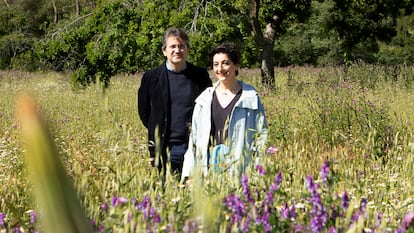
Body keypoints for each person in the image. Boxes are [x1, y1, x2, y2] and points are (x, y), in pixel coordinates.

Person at [181, 42, 267, 180]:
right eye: (216, 64)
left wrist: (258, 176)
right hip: (207, 172)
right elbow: (194, 142)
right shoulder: (204, 99)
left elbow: (261, 140)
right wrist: (190, 175)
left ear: (236, 65)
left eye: (225, 63)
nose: (220, 69)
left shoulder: (250, 98)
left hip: (239, 172)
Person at [138, 28, 212, 175]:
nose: (177, 50)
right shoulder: (151, 78)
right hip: (163, 147)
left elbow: (209, 108)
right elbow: (144, 112)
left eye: (181, 46)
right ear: (164, 51)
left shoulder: (200, 76)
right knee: (166, 192)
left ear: (188, 50)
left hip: (192, 146)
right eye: (172, 46)